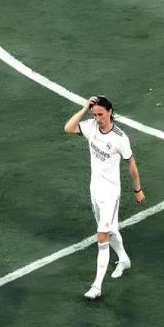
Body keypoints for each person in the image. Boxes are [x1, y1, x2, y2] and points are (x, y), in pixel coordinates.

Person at [64, 96, 145, 299]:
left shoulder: (120, 138)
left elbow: (131, 164)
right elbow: (68, 128)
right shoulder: (90, 126)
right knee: (111, 230)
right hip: (95, 190)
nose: (97, 118)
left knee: (102, 235)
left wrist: (137, 189)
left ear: (110, 112)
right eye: (95, 114)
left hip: (110, 194)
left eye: (101, 114)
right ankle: (124, 259)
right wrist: (85, 108)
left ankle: (97, 286)